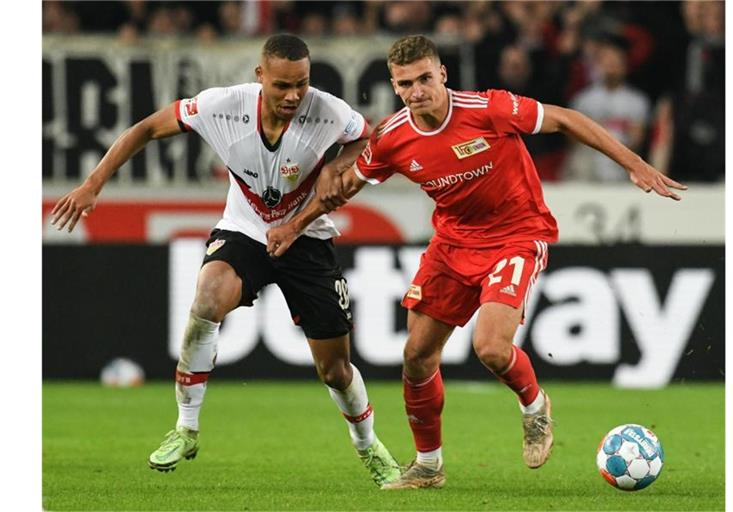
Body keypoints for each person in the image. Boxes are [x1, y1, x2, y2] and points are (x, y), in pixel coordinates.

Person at [265, 35, 686, 490]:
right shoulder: (392, 137)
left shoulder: (489, 109)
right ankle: (428, 466)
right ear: (394, 84)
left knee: (490, 348)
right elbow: (346, 187)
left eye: (425, 78)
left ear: (442, 74)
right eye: (406, 84)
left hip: (517, 236)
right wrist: (294, 225)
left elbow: (566, 119)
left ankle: (534, 406)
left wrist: (634, 163)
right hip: (452, 244)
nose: (417, 91)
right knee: (417, 357)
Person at [50, 34, 401, 488]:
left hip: (307, 240)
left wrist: (340, 165)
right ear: (260, 77)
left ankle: (368, 444)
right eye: (282, 86)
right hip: (245, 230)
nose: (295, 96)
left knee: (334, 370)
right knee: (208, 296)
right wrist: (93, 183)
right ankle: (186, 427)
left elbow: (367, 141)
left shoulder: (329, 111)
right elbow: (146, 129)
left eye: (302, 84)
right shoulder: (221, 107)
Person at [565, 34, 651, 182]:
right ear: (598, 65)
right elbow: (572, 140)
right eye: (607, 62)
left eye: (615, 62)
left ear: (624, 66)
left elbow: (637, 139)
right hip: (587, 165)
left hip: (620, 166)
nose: (611, 67)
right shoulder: (583, 100)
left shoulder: (637, 101)